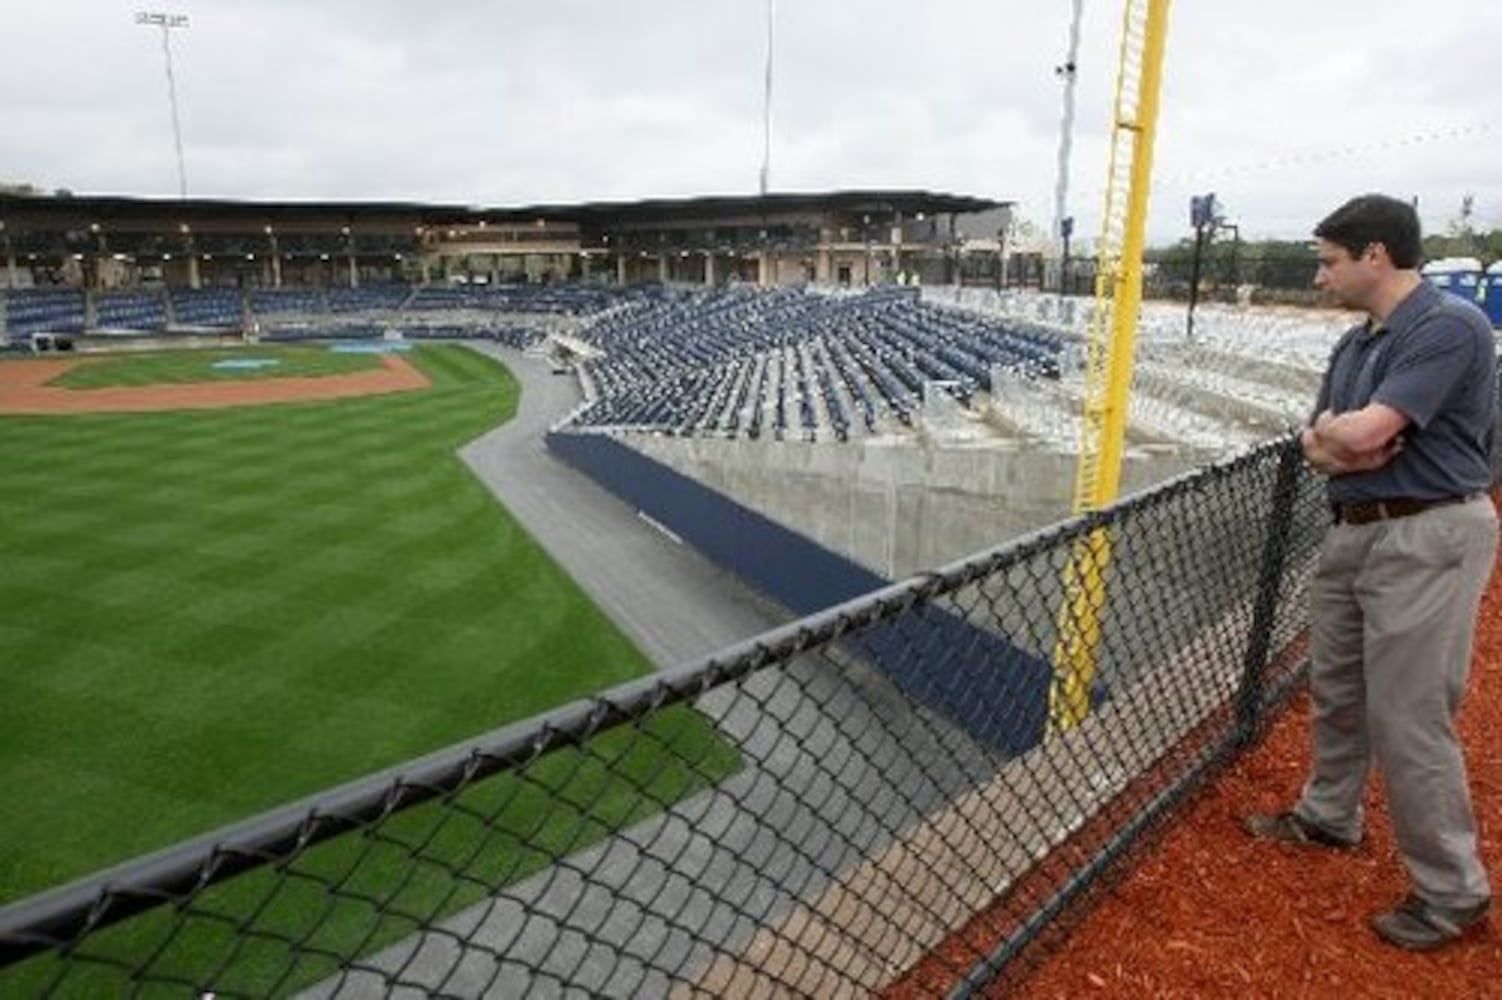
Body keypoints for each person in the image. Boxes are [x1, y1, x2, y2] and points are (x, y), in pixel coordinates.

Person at [1244, 193, 1498, 951]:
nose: (1320, 278)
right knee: (1340, 688)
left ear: (1375, 255)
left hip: (1427, 532)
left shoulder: (1450, 325)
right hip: (1355, 527)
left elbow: (1370, 431)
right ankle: (1328, 817)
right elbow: (1323, 436)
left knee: (1410, 714)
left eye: (1329, 262)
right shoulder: (1359, 345)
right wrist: (1337, 443)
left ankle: (1453, 893)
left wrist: (1344, 439)